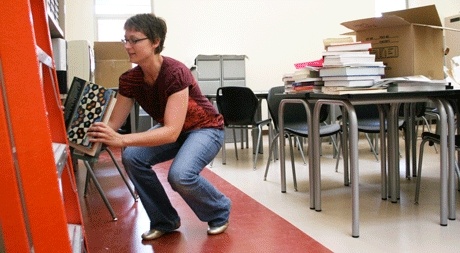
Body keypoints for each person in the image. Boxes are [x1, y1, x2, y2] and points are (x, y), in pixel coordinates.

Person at [87, 13, 231, 240]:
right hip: (176, 131)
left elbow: (171, 132)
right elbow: (114, 123)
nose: (127, 46)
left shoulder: (175, 72)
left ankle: (219, 209)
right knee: (133, 157)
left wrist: (122, 140)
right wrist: (93, 132)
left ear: (155, 42)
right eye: (125, 40)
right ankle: (164, 220)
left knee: (180, 175)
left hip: (205, 129)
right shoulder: (130, 79)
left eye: (134, 40)